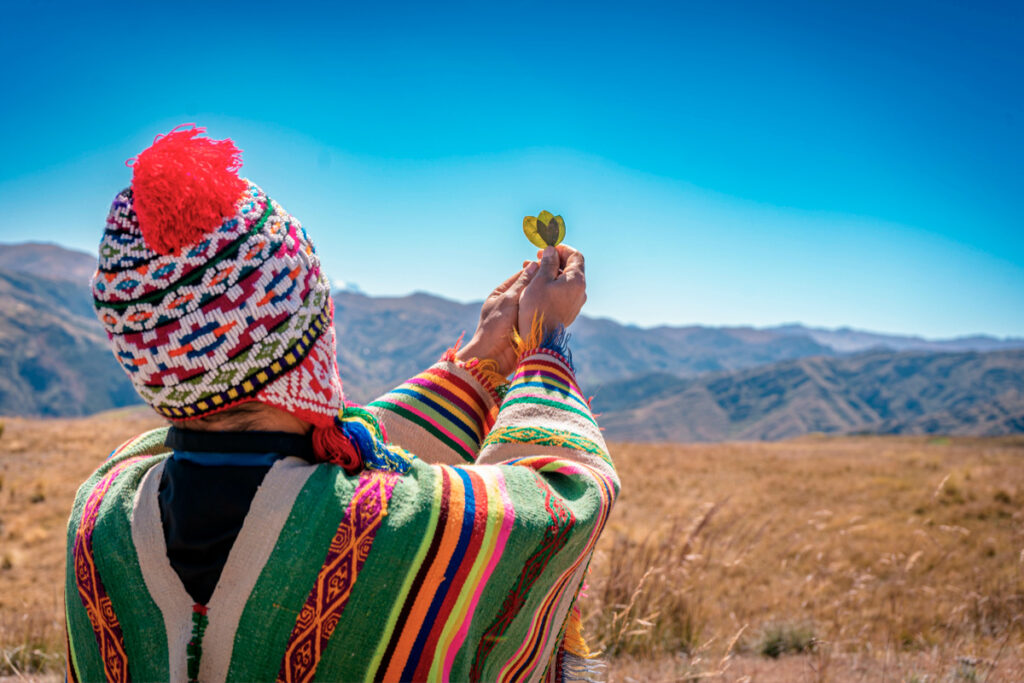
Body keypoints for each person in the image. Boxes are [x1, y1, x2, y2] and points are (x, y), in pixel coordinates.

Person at [65, 126, 618, 683]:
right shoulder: (397, 532)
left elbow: (335, 451)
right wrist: (544, 345)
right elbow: (565, 498)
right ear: (308, 337)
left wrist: (477, 360)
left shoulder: (102, 514)